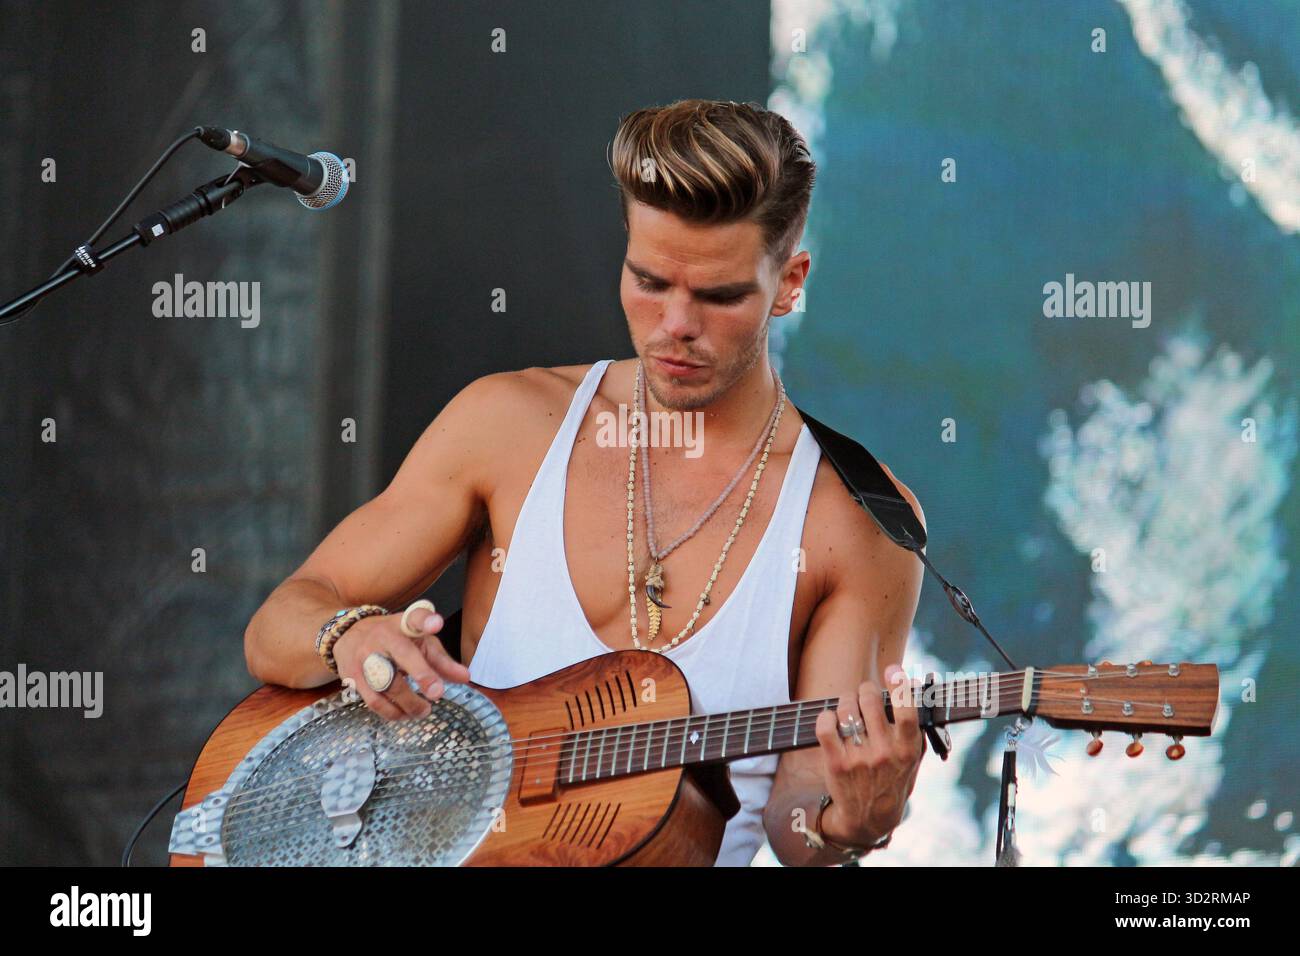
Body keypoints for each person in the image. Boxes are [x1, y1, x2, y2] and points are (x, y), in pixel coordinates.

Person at [245, 98, 927, 867]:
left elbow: (798, 824)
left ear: (790, 282)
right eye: (649, 279)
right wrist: (349, 637)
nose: (674, 323)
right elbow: (276, 627)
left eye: (719, 295)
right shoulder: (507, 423)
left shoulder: (857, 520)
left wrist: (849, 824)